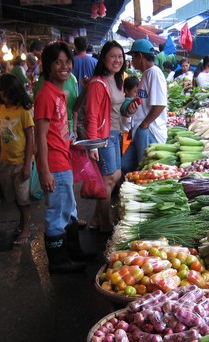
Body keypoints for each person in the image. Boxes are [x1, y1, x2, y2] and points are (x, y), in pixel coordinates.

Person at [35, 41, 90, 273]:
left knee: (69, 210)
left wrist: (70, 142)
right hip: (54, 165)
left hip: (63, 158)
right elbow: (40, 137)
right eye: (57, 62)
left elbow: (57, 130)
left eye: (67, 61)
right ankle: (58, 263)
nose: (64, 66)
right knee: (57, 213)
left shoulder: (59, 93)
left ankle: (73, 252)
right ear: (48, 66)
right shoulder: (46, 95)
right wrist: (45, 170)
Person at [84, 41, 137, 234]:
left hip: (115, 133)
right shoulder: (98, 83)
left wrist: (129, 110)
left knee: (114, 176)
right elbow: (91, 115)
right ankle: (105, 223)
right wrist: (93, 144)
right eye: (113, 56)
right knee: (108, 179)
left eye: (120, 56)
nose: (117, 60)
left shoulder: (118, 81)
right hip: (103, 136)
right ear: (104, 58)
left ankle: (97, 218)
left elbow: (118, 110)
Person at [0, 73, 35, 246]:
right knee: (14, 198)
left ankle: (25, 228)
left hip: (20, 162)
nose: (6, 98)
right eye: (3, 94)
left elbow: (30, 138)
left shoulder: (24, 112)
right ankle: (23, 222)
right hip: (4, 162)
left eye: (8, 95)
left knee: (23, 199)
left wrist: (27, 165)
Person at [121, 39, 168, 175]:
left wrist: (144, 125)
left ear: (140, 56)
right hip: (140, 130)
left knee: (145, 171)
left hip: (149, 131)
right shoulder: (146, 74)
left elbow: (160, 104)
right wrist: (135, 127)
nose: (132, 60)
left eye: (133, 57)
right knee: (125, 165)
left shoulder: (154, 73)